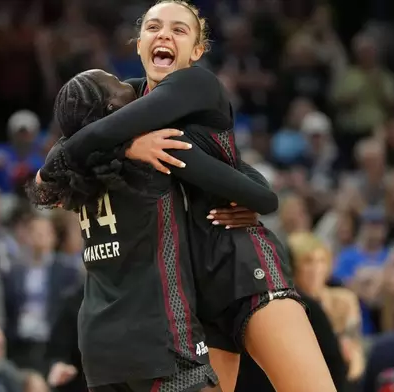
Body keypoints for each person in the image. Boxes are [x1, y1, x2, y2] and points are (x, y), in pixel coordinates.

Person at [36, 1, 336, 391]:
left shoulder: (196, 84)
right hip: (187, 291)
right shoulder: (123, 103)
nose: (164, 35)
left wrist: (102, 152)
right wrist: (124, 149)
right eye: (154, 27)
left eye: (179, 30)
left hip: (239, 263)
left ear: (196, 51)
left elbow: (262, 193)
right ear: (139, 44)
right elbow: (61, 165)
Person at [31, 67, 277, 392]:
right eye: (117, 83)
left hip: (98, 345)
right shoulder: (156, 152)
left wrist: (120, 146)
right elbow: (262, 196)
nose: (127, 83)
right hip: (160, 334)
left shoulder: (75, 174)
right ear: (111, 112)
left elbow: (41, 187)